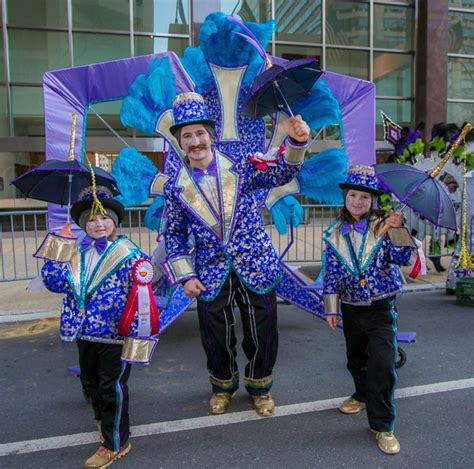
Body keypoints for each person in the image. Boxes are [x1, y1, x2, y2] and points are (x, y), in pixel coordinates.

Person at [161, 92, 310, 416]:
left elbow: (279, 174)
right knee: (215, 335)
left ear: (210, 135)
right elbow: (172, 234)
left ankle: (260, 386)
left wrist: (296, 144)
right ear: (180, 143)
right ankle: (222, 387)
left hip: (255, 261)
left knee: (263, 329)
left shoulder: (242, 165)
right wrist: (185, 275)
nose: (195, 141)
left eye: (200, 133)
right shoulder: (175, 187)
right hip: (209, 270)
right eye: (187, 136)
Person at [40, 185, 152, 468]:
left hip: (115, 335)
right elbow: (53, 282)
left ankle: (115, 442)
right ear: (82, 225)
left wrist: (138, 333)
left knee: (111, 387)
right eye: (91, 219)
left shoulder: (129, 254)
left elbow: (142, 294)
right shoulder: (75, 251)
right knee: (91, 384)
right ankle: (106, 422)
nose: (98, 224)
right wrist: (59, 244)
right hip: (83, 332)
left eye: (104, 218)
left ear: (114, 221)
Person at [323, 165, 415, 455]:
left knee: (382, 367)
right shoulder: (333, 232)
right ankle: (361, 394)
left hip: (380, 308)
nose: (358, 202)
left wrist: (399, 229)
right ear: (345, 197)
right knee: (356, 360)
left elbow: (401, 257)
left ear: (372, 200)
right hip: (350, 308)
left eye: (364, 197)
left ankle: (383, 425)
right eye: (353, 196)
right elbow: (332, 273)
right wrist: (331, 308)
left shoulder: (384, 226)